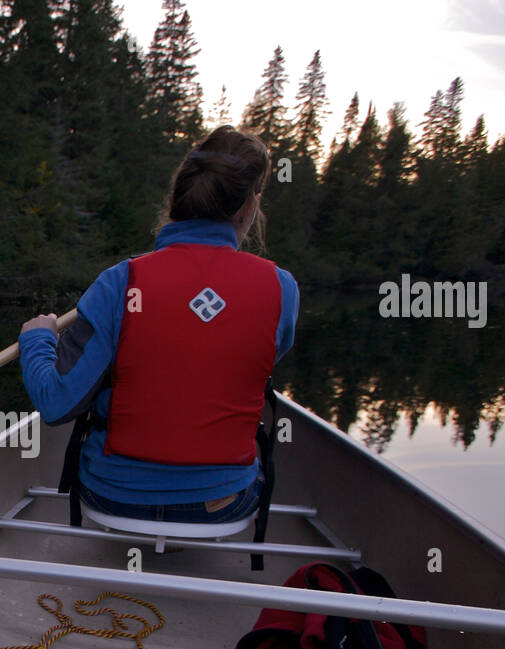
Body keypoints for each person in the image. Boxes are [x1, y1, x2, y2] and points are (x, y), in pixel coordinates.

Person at [18, 125, 298, 525]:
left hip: (113, 498)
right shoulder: (282, 289)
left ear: (174, 198)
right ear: (248, 209)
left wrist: (38, 338)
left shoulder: (120, 281)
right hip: (222, 505)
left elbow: (56, 401)